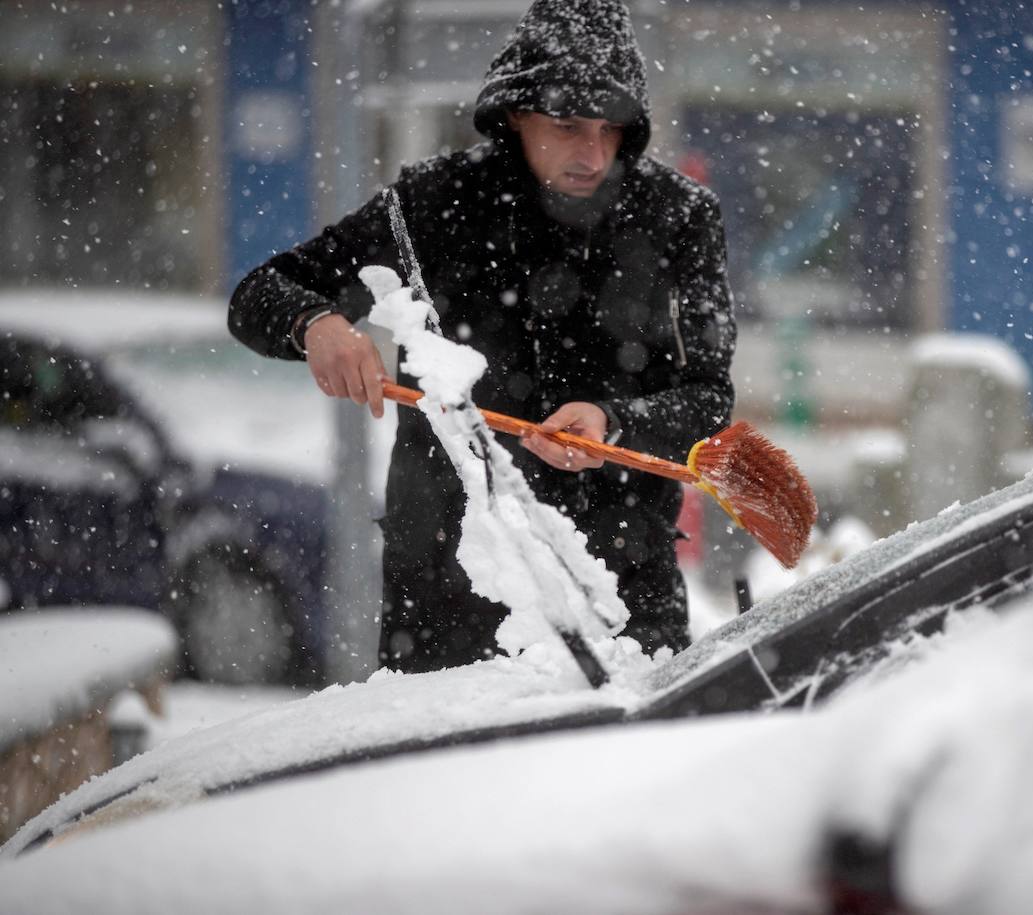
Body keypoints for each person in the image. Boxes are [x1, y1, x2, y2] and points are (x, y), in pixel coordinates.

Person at [228, 0, 736, 674]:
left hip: (620, 588)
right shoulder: (436, 203)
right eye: (567, 126)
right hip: (449, 587)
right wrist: (316, 324)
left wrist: (615, 424)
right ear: (517, 115)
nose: (593, 152)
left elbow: (708, 400)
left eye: (611, 130)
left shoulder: (678, 218)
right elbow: (260, 292)